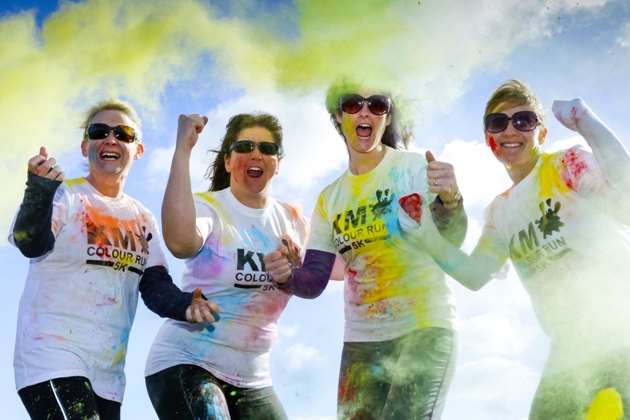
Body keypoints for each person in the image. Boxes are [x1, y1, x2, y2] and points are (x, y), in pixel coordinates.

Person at [402, 80, 630, 419]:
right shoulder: (500, 212)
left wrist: (585, 121)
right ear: (489, 139)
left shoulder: (566, 164)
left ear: (542, 132)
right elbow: (475, 274)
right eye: (498, 123)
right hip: (568, 351)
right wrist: (426, 236)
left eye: (524, 120)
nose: (511, 130)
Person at [264, 79, 468, 419]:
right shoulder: (330, 198)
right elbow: (313, 281)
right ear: (338, 117)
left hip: (424, 330)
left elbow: (452, 240)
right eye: (352, 104)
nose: (365, 112)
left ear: (386, 117)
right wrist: (287, 276)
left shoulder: (412, 168)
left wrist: (451, 200)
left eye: (377, 105)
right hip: (362, 344)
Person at [9, 99, 216, 420]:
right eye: (99, 131)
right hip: (51, 357)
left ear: (139, 150)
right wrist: (38, 191)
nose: (111, 139)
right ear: (84, 146)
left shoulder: (142, 217)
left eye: (123, 134)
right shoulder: (65, 195)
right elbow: (30, 243)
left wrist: (187, 306)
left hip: (107, 374)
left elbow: (156, 287)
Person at [145, 112, 311, 420]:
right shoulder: (211, 208)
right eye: (245, 146)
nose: (256, 154)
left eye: (267, 148)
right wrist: (183, 149)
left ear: (278, 163)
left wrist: (296, 272)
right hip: (188, 361)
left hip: (253, 378)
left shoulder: (293, 221)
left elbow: (319, 279)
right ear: (227, 161)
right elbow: (181, 242)